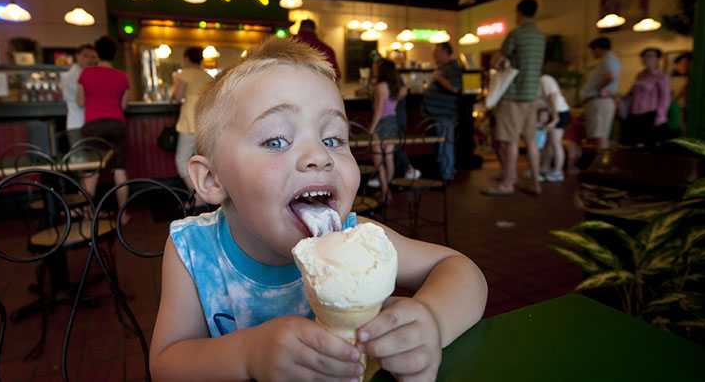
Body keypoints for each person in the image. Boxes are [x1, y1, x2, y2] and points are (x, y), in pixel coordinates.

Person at [150, 38, 487, 381]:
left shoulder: (357, 240)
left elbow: (462, 270)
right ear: (211, 179)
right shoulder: (193, 251)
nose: (319, 156)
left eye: (332, 140)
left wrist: (431, 321)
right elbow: (165, 364)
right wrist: (248, 354)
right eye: (276, 141)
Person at [485, 0, 547, 196]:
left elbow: (496, 61)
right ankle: (536, 182)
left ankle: (508, 183)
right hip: (532, 95)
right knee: (530, 141)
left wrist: (500, 63)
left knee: (509, 141)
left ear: (519, 13)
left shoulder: (516, 34)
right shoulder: (540, 36)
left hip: (513, 95)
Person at [77, 36, 131, 217]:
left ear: (96, 53)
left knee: (92, 171)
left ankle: (87, 214)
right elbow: (124, 106)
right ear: (114, 54)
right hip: (117, 124)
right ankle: (123, 214)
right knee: (119, 169)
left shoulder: (86, 74)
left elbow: (80, 101)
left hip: (93, 126)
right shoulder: (122, 76)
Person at [171, 46, 213, 190]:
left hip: (189, 120)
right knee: (203, 160)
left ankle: (197, 194)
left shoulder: (183, 74)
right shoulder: (208, 76)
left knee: (182, 160)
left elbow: (177, 97)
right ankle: (206, 192)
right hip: (206, 121)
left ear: (187, 58)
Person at [423, 42, 463, 182]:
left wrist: (438, 78)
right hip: (439, 114)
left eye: (437, 52)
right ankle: (444, 172)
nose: (434, 54)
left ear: (446, 53)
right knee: (443, 144)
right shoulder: (444, 67)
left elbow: (455, 88)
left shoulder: (452, 68)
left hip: (445, 114)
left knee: (446, 144)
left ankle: (447, 174)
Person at [368, 58, 403, 202]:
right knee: (389, 158)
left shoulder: (380, 86)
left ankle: (385, 192)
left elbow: (378, 110)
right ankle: (387, 190)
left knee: (378, 159)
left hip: (381, 123)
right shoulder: (395, 85)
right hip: (393, 122)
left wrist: (371, 129)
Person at [623, 47, 672, 147]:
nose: (646, 59)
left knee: (650, 146)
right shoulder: (640, 75)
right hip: (635, 114)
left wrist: (660, 116)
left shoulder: (662, 76)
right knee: (635, 145)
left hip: (650, 115)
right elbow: (633, 94)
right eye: (644, 56)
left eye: (649, 56)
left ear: (657, 59)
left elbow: (665, 98)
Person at [580, 37, 621, 149]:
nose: (592, 53)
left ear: (598, 48)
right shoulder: (609, 60)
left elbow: (610, 77)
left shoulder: (608, 59)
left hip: (599, 101)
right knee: (597, 136)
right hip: (598, 101)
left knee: (598, 137)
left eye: (592, 50)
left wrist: (597, 90)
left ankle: (600, 164)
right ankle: (598, 163)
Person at [59, 44, 97, 148]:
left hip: (86, 124)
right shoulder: (70, 76)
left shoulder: (89, 74)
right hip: (78, 124)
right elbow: (83, 100)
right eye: (85, 56)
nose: (89, 60)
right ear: (77, 56)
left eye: (93, 57)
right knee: (81, 159)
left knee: (92, 159)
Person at [538, 73, 571, 182]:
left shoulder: (544, 79)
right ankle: (544, 168)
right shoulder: (539, 81)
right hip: (554, 112)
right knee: (549, 143)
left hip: (559, 112)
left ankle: (558, 172)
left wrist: (555, 117)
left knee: (555, 143)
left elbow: (552, 96)